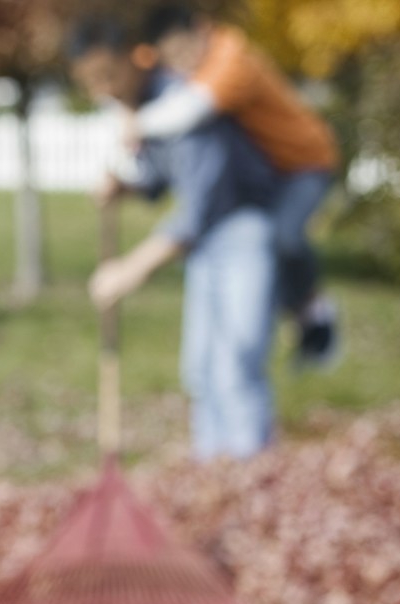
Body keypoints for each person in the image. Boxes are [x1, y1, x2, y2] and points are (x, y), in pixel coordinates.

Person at [69, 19, 281, 459]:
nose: (101, 92)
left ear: (133, 57)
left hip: (243, 232)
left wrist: (131, 268)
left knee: (234, 365)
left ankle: (249, 472)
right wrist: (124, 186)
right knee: (201, 368)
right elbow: (162, 180)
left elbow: (200, 207)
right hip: (207, 246)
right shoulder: (144, 106)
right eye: (89, 83)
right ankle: (212, 469)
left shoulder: (183, 104)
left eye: (106, 76)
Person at [128, 4, 341, 370]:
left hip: (306, 163)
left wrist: (136, 124)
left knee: (283, 237)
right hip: (273, 171)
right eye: (169, 57)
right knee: (265, 247)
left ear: (200, 29)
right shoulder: (189, 58)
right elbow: (133, 64)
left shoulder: (232, 58)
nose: (179, 64)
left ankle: (313, 312)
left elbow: (192, 108)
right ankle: (302, 321)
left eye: (182, 51)